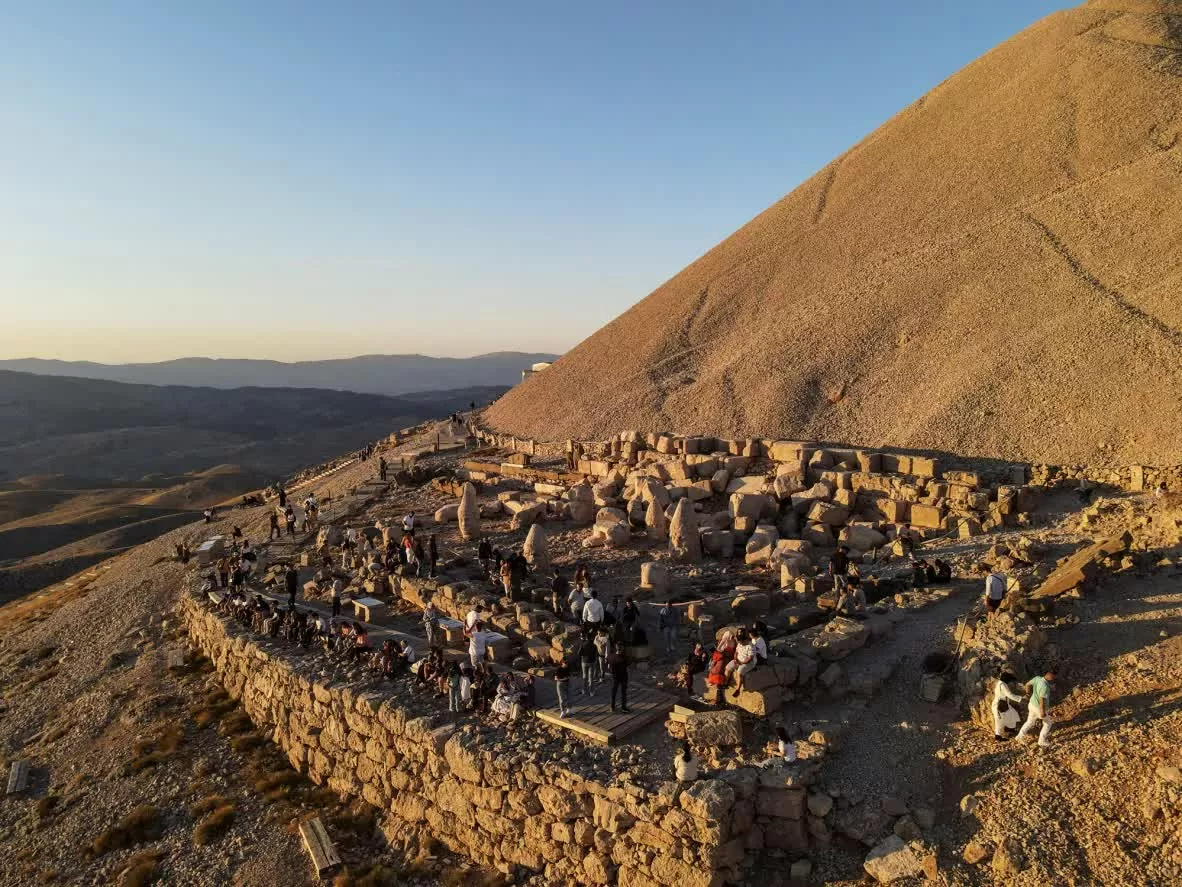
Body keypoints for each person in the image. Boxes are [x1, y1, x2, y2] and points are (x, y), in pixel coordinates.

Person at [1018, 670, 1056, 748]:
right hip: (1039, 708)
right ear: (1049, 675)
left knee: (1029, 722)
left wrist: (1028, 694)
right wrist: (1042, 711)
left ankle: (1019, 737)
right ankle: (1041, 741)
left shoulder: (1037, 678)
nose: (1054, 678)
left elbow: (1027, 684)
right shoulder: (1045, 686)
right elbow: (1042, 699)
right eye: (1053, 676)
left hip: (1031, 704)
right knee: (1048, 723)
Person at [992, 672, 1025, 740]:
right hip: (999, 706)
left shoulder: (1000, 683)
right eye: (1009, 680)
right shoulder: (1002, 685)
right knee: (999, 721)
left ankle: (1010, 729)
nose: (1010, 682)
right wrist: (1021, 699)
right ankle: (998, 737)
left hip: (1004, 704)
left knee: (1013, 714)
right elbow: (1009, 695)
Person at [727, 630, 757, 694]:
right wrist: (735, 659)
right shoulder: (739, 644)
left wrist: (742, 663)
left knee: (739, 672)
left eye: (741, 642)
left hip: (748, 663)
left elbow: (750, 658)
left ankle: (738, 689)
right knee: (727, 667)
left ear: (744, 640)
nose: (740, 643)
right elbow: (736, 652)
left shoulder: (750, 646)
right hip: (738, 660)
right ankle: (725, 683)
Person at [608, 643, 630, 713]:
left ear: (616, 648)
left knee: (613, 692)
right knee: (623, 693)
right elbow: (628, 668)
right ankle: (623, 707)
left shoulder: (611, 656)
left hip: (614, 677)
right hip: (623, 677)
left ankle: (612, 707)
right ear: (622, 648)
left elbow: (608, 666)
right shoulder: (625, 657)